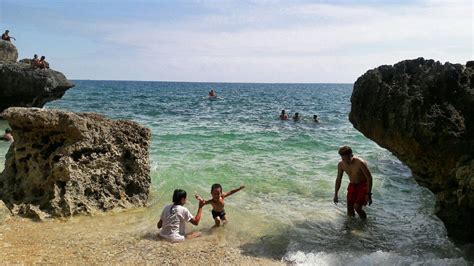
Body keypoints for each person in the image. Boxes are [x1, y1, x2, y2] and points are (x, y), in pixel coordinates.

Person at [333, 146, 373, 219]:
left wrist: (368, 194)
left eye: (348, 159)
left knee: (357, 207)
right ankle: (350, 227)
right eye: (343, 159)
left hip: (363, 185)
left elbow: (369, 178)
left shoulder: (360, 163)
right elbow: (338, 179)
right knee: (349, 208)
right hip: (352, 185)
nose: (346, 161)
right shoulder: (341, 164)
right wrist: (336, 194)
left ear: (351, 155)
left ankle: (364, 223)